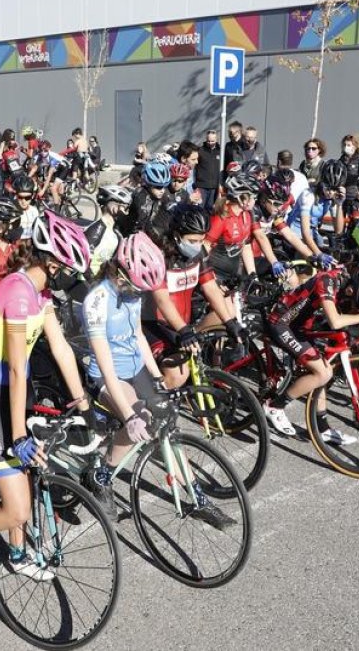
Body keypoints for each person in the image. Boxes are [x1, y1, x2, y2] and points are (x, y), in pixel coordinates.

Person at [0, 211, 97, 582]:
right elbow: (15, 368)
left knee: (23, 475)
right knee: (17, 510)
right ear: (53, 263)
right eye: (72, 266)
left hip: (14, 395)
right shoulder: (18, 293)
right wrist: (19, 435)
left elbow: (61, 350)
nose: (75, 275)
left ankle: (17, 551)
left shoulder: (41, 295)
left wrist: (84, 406)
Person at [81, 233, 182, 515]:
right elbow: (107, 369)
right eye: (136, 288)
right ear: (121, 273)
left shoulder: (133, 291)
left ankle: (193, 490)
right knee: (143, 418)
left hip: (135, 367)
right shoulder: (97, 301)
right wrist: (129, 415)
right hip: (106, 374)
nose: (139, 295)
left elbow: (138, 334)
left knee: (167, 418)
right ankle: (101, 473)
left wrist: (157, 376)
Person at [265, 263, 359, 442]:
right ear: (351, 291)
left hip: (301, 326)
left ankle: (322, 429)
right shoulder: (327, 281)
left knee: (323, 370)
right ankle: (274, 407)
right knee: (322, 372)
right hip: (282, 323)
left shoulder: (346, 283)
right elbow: (336, 321)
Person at [143, 205, 246, 388]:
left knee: (225, 313)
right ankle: (152, 405)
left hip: (183, 324)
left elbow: (210, 288)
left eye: (201, 240)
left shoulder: (199, 253)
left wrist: (231, 322)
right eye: (192, 240)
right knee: (177, 376)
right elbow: (161, 299)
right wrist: (183, 330)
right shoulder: (160, 255)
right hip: (156, 324)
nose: (197, 245)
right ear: (176, 235)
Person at [293, 158, 347, 252]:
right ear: (322, 181)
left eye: (335, 189)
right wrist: (319, 254)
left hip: (312, 233)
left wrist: (339, 205)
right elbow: (305, 233)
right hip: (295, 233)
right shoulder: (309, 194)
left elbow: (338, 230)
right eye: (328, 187)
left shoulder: (333, 198)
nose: (330, 192)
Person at [86, 185, 132, 275]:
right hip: (91, 280)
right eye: (124, 207)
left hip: (104, 277)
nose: (125, 212)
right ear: (113, 207)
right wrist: (93, 282)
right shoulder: (97, 229)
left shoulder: (116, 230)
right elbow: (85, 261)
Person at [125, 161, 174, 239]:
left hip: (151, 237)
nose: (162, 190)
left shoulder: (164, 197)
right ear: (147, 183)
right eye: (158, 187)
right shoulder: (139, 196)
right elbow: (140, 222)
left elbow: (166, 221)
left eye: (164, 187)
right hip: (132, 236)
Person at [194, 131, 221, 207]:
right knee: (199, 207)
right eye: (208, 141)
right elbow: (194, 168)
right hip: (202, 186)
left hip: (214, 187)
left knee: (210, 209)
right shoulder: (200, 150)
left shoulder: (220, 152)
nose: (210, 143)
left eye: (212, 141)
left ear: (217, 140)